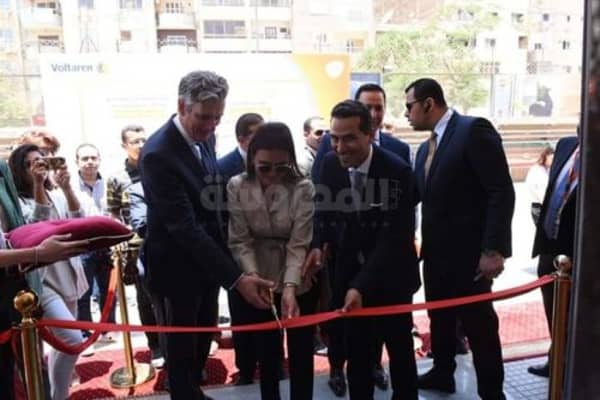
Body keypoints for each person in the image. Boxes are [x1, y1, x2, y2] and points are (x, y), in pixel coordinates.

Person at [139, 70, 274, 400]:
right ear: (181, 107)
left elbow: (213, 206)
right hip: (175, 271)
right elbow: (184, 227)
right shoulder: (158, 154)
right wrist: (237, 279)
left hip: (207, 267)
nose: (211, 125)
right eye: (203, 117)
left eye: (217, 117)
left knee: (201, 347)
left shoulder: (205, 138)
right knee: (181, 357)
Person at [406, 78, 515, 399]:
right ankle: (443, 373)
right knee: (439, 319)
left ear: (428, 103)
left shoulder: (472, 130)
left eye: (409, 106)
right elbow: (417, 195)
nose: (406, 114)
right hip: (436, 257)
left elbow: (500, 191)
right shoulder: (425, 149)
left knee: (479, 327)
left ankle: (491, 391)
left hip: (470, 259)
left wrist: (493, 249)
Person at [305, 99, 420, 399]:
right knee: (357, 353)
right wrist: (317, 244)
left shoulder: (396, 171)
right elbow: (323, 212)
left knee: (400, 351)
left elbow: (394, 238)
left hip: (392, 278)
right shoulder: (330, 164)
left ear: (369, 134)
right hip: (347, 274)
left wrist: (361, 286)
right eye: (335, 138)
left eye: (349, 139)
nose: (340, 147)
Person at [227, 122, 318, 399]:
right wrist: (254, 277)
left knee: (301, 353)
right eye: (264, 168)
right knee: (267, 355)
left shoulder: (303, 187)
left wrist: (290, 286)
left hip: (299, 274)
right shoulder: (237, 185)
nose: (272, 175)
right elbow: (239, 240)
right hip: (257, 275)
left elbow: (299, 242)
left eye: (281, 167)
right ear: (251, 160)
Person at [9, 144, 89, 400]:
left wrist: (66, 188)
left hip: (68, 274)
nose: (38, 168)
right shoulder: (17, 202)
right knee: (72, 339)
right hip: (42, 281)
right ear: (18, 170)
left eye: (42, 162)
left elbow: (79, 220)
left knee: (60, 344)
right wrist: (37, 185)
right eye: (30, 164)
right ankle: (58, 396)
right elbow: (37, 229)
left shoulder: (57, 194)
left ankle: (56, 394)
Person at [105, 124, 165, 368]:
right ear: (124, 146)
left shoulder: (157, 167)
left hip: (163, 243)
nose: (140, 145)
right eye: (134, 141)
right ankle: (155, 345)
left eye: (143, 140)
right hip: (135, 249)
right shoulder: (117, 178)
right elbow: (113, 213)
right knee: (145, 298)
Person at [217, 112, 264, 385]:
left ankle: (272, 363)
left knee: (269, 310)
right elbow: (220, 216)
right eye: (258, 135)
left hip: (269, 253)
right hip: (236, 254)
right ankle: (245, 369)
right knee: (242, 314)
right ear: (242, 139)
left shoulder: (274, 164)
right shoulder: (223, 168)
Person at [528, 135, 579, 378]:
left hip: (579, 252)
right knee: (553, 310)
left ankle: (573, 365)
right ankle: (557, 358)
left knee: (576, 314)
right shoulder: (566, 145)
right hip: (549, 248)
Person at [74, 143, 116, 344]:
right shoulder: (69, 188)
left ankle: (109, 328)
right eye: (85, 158)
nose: (90, 162)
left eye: (93, 158)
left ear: (99, 160)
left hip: (106, 244)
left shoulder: (109, 184)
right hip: (82, 244)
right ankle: (85, 332)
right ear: (77, 162)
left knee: (109, 289)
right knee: (83, 291)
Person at [525, 145, 555, 224]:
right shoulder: (537, 170)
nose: (553, 161)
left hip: (545, 205)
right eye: (551, 159)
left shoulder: (548, 169)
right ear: (545, 157)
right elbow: (539, 191)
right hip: (539, 206)